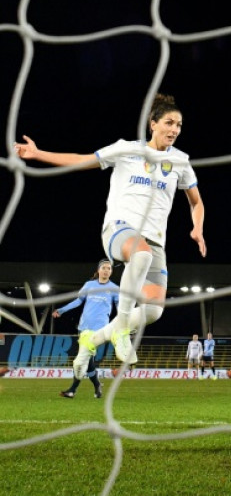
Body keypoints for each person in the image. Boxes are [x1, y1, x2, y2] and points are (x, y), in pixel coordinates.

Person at [15, 94, 207, 374]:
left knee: (154, 310)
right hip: (119, 229)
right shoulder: (125, 149)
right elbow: (82, 160)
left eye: (179, 124)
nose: (175, 129)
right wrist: (38, 154)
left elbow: (196, 202)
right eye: (169, 122)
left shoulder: (180, 161)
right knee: (140, 254)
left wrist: (197, 227)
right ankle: (122, 331)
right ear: (153, 124)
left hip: (155, 241)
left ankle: (92, 341)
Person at [55, 259, 119, 399]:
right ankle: (97, 385)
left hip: (99, 330)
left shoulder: (115, 289)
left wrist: (124, 322)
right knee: (88, 361)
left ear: (111, 272)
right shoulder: (89, 285)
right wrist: (62, 310)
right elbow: (78, 301)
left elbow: (120, 308)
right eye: (104, 268)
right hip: (83, 327)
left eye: (109, 268)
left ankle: (72, 390)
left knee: (82, 358)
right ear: (98, 270)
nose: (106, 270)